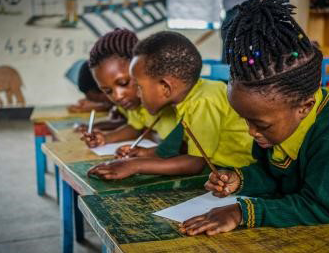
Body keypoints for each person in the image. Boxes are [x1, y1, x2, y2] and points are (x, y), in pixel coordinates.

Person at [180, 0, 329, 241]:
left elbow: (317, 207)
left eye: (260, 124)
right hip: (323, 215)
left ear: (305, 107)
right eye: (246, 120)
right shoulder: (277, 122)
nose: (251, 132)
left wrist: (242, 212)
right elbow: (274, 176)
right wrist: (240, 179)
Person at [87, 31, 255, 180]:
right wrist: (148, 153)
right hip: (222, 171)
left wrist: (135, 165)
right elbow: (183, 145)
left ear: (166, 87)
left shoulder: (202, 101)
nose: (137, 94)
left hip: (245, 174)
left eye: (139, 86)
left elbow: (194, 163)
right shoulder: (185, 99)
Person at [81, 29, 177, 153]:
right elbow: (135, 127)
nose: (117, 96)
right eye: (108, 91)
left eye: (123, 83)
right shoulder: (137, 103)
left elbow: (185, 149)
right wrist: (105, 138)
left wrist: (145, 155)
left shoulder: (172, 99)